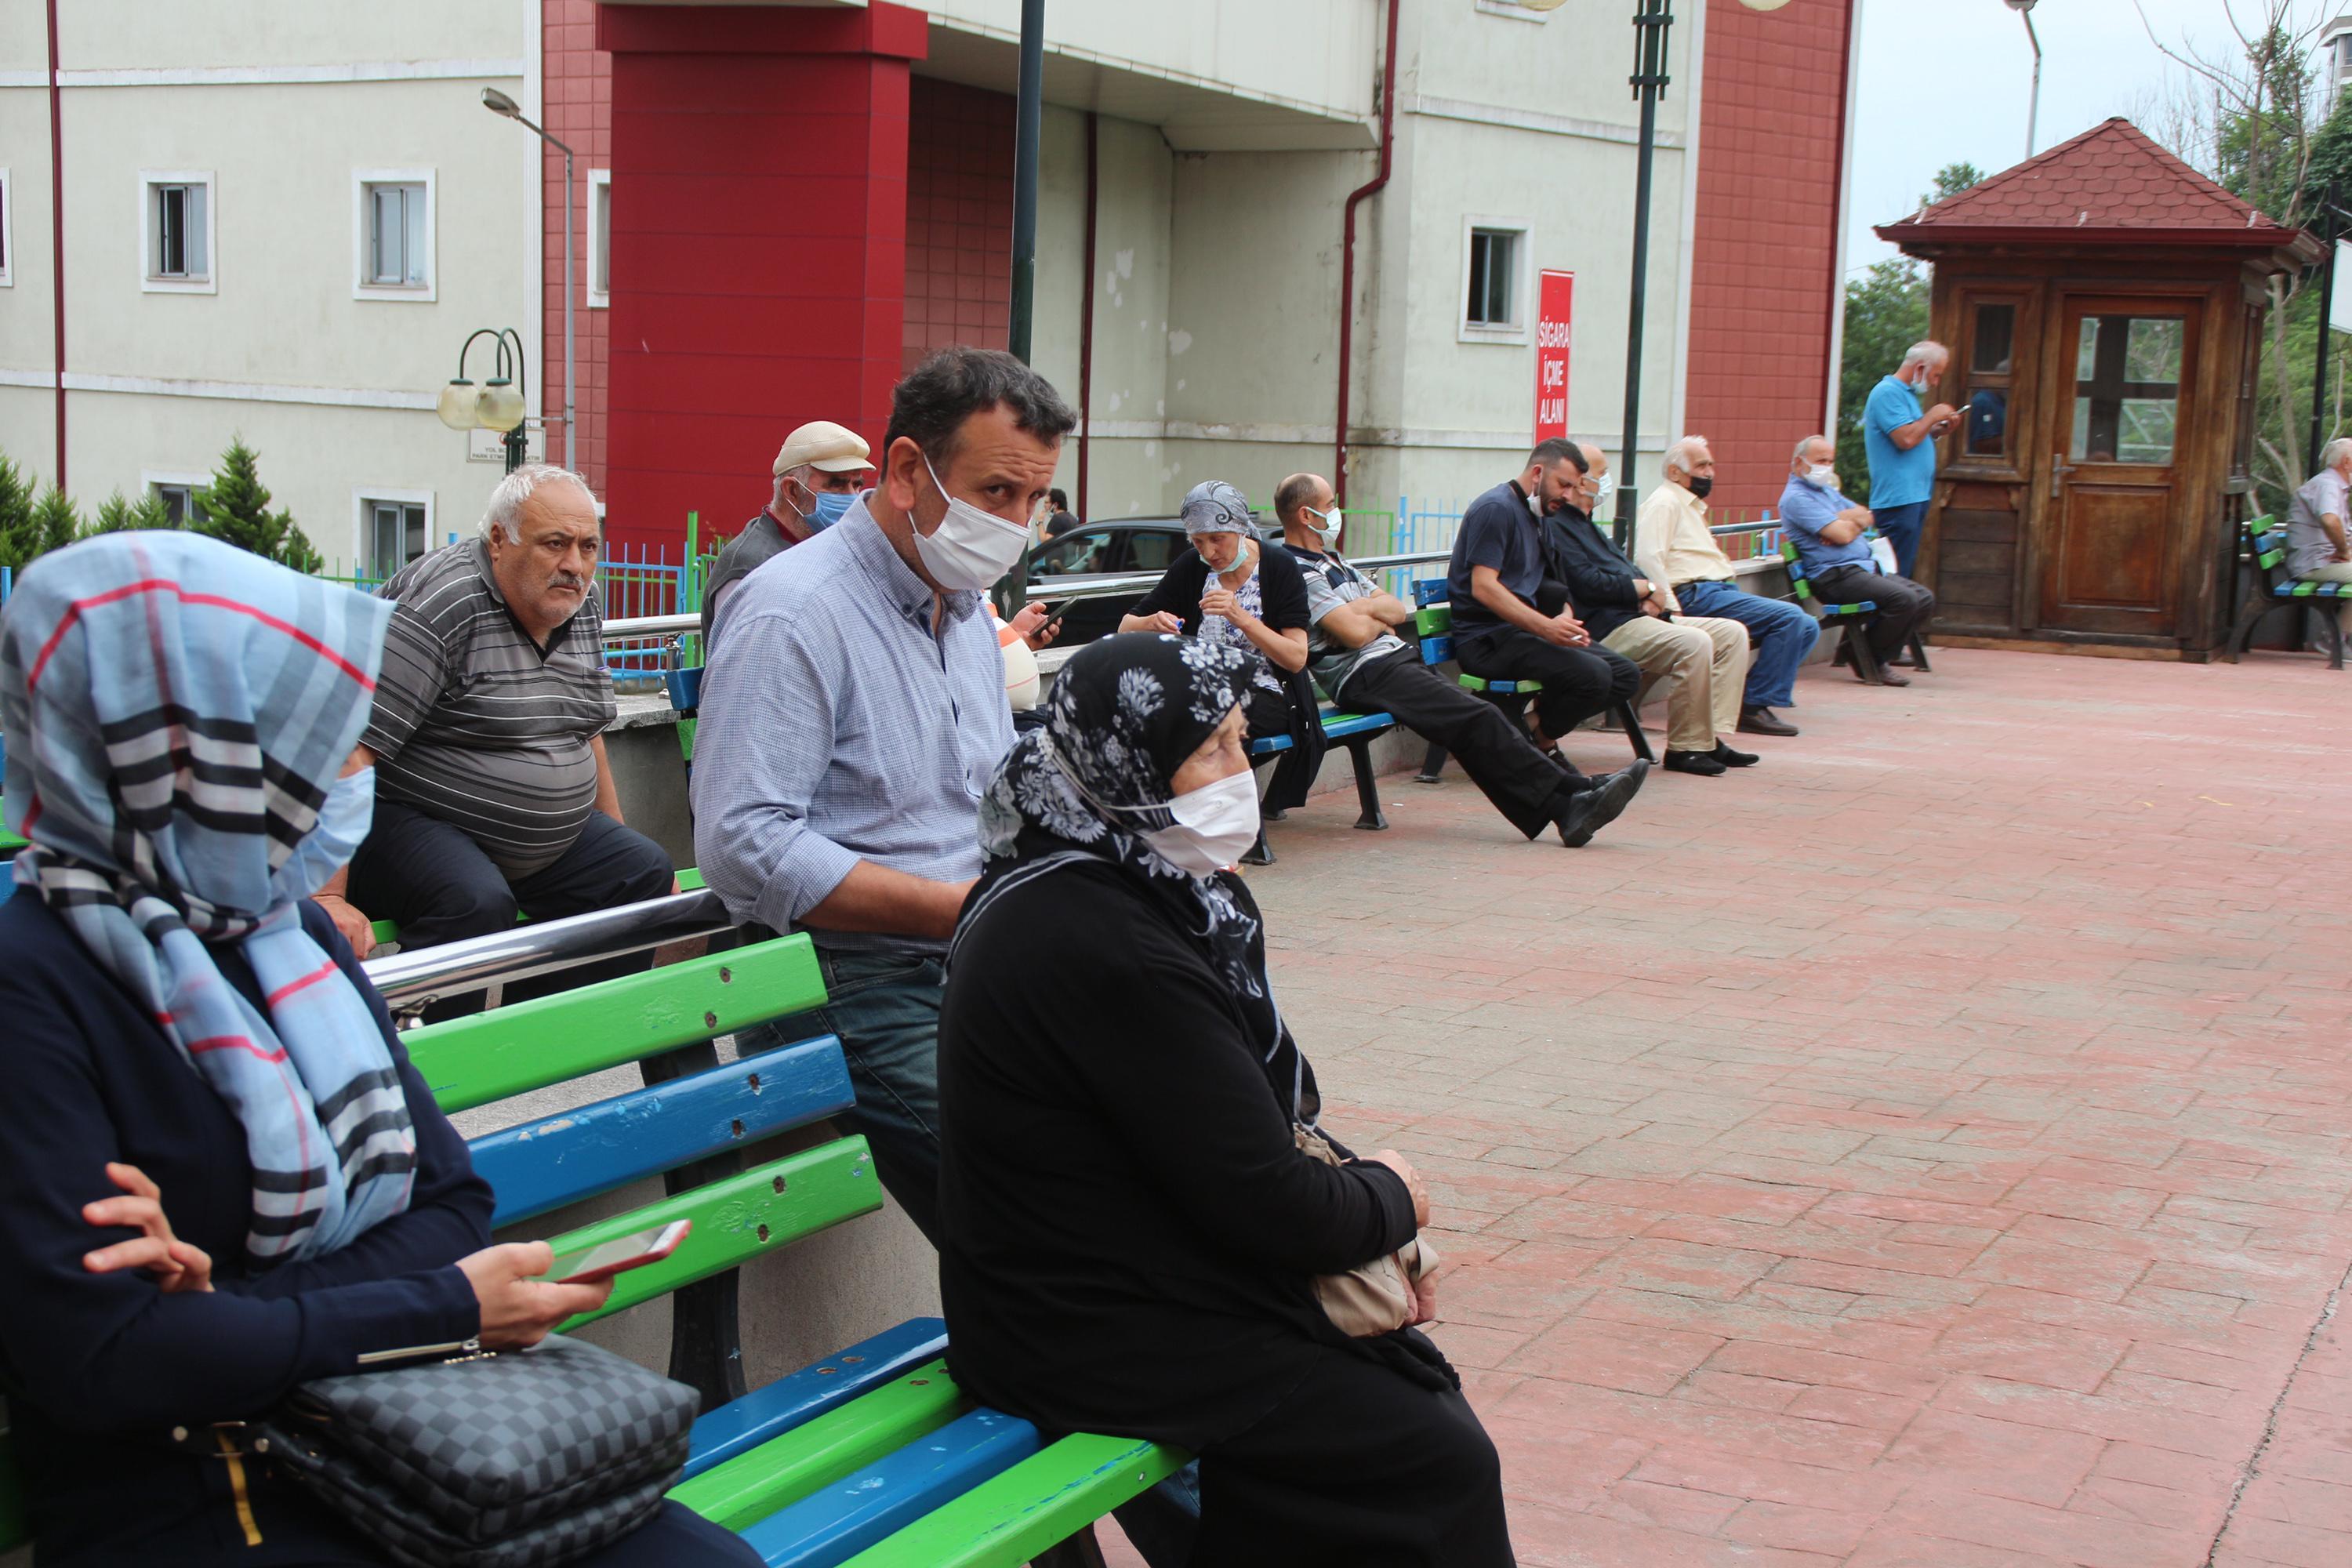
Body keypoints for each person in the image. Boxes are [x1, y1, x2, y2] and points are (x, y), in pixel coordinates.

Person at [0, 532, 758, 1568]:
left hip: (400, 1432)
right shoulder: (33, 982)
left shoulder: (285, 936)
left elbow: (454, 1209)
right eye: (304, 736)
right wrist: (438, 1304)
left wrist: (228, 1309)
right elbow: (110, 1360)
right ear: (182, 750)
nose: (341, 773)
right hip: (202, 1485)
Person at [938, 633, 1515, 1567]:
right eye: (1210, 748)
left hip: (1113, 1272)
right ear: (1127, 757)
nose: (1239, 772)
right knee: (1426, 1451)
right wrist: (1397, 1195)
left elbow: (1235, 1148)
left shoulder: (1108, 874)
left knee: (1407, 1415)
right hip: (1078, 1323)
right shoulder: (1105, 939)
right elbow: (1269, 1202)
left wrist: (1381, 1227)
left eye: (1243, 739)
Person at [320, 466, 673, 967]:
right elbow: (344, 741)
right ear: (498, 540)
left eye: (588, 547)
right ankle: (439, 1043)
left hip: (528, 846)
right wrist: (327, 897)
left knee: (640, 873)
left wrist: (620, 838)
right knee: (474, 902)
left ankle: (557, 1040)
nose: (575, 565)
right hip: (398, 815)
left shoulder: (579, 606)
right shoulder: (446, 600)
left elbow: (585, 731)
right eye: (555, 543)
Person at [1276, 470, 1646, 847]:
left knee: (1476, 721)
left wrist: (1365, 611)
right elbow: (1355, 632)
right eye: (1331, 505)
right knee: (1479, 716)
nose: (1338, 512)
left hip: (1392, 660)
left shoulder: (1333, 560)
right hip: (1365, 673)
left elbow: (1393, 609)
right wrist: (1371, 616)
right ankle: (1575, 797)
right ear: (1307, 516)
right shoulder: (1298, 571)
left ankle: (1570, 803)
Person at [1548, 445, 1756, 777]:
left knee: (1732, 634)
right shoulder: (1559, 525)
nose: (1606, 481)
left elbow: (1626, 568)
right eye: (1602, 474)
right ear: (1579, 480)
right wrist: (1646, 590)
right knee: (1694, 643)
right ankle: (1685, 748)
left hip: (1636, 616)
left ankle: (1707, 738)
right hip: (1607, 627)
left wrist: (1650, 591)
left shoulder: (1585, 522)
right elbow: (1589, 584)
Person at [1119, 479, 1326, 812]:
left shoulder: (1278, 567)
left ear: (1242, 529)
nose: (1209, 552)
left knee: (1205, 724)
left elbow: (1296, 658)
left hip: (1270, 692)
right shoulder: (1191, 567)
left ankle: (1208, 824)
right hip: (1200, 689)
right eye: (1199, 542)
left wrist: (1241, 617)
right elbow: (1126, 627)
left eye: (1218, 539)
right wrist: (1150, 622)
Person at [1445, 440, 1643, 764]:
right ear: (1538, 472)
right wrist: (1547, 627)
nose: (1568, 496)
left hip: (1526, 633)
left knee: (1625, 674)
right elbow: (1483, 587)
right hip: (1488, 640)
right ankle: (1542, 747)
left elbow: (1550, 585)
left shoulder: (1538, 514)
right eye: (1563, 485)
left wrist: (1563, 616)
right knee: (1593, 675)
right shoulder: (1496, 509)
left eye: (1575, 487)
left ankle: (1533, 734)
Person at [1630, 434, 1820, 737]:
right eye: (1701, 465)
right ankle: (1753, 705)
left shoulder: (1690, 506)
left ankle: (1750, 698)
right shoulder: (1665, 503)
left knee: (1806, 625)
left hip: (1719, 592)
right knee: (1792, 620)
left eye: (1711, 465)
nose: (1709, 472)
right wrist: (1670, 608)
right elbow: (1648, 557)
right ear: (1676, 472)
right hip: (1694, 595)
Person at [701, 419, 874, 647]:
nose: (852, 498)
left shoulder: (825, 548)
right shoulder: (750, 565)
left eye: (857, 485)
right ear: (792, 490)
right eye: (837, 485)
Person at [1780, 435, 1936, 686]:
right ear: (1799, 463)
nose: (1827, 467)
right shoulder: (1797, 498)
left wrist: (1841, 521)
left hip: (1861, 569)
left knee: (1924, 599)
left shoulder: (1826, 492)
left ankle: (1858, 649)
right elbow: (1842, 534)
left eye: (1830, 461)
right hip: (1834, 576)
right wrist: (1845, 526)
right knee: (1904, 600)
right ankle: (1872, 661)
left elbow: (1868, 515)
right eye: (1820, 460)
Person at [1861, 340, 1960, 579]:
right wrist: (1932, 416)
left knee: (1903, 573)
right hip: (1897, 499)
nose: (1935, 382)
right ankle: (1884, 617)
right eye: (1935, 375)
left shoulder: (1905, 394)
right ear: (1919, 367)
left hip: (1913, 496)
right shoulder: (1886, 393)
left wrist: (1936, 429)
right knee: (1894, 576)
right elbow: (1905, 439)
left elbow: (1914, 432)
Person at [2285, 437, 2352, 640]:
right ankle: (2335, 640)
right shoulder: (2328, 486)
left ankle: (2340, 638)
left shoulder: (2332, 485)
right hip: (2313, 564)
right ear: (2347, 462)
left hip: (2321, 559)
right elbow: (2330, 521)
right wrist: (2343, 551)